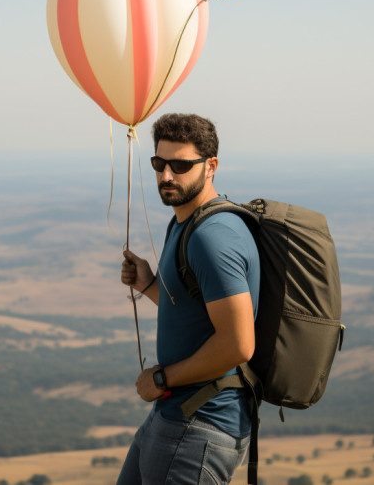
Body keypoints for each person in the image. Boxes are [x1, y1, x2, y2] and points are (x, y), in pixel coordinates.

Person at [117, 113, 260, 485]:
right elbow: (195, 314)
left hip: (200, 425)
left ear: (210, 166)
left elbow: (238, 344)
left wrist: (162, 377)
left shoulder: (213, 237)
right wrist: (150, 285)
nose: (166, 176)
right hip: (175, 415)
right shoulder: (185, 222)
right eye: (158, 163)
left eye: (180, 165)